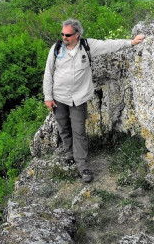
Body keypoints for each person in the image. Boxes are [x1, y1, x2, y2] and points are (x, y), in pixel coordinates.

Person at [43, 18, 145, 183]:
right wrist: (48, 97)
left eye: (67, 35)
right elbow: (48, 73)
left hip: (78, 98)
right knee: (64, 128)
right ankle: (69, 155)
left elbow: (109, 45)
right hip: (59, 97)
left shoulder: (87, 46)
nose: (64, 37)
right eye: (62, 34)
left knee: (79, 132)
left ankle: (82, 166)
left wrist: (131, 42)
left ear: (77, 34)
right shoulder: (56, 49)